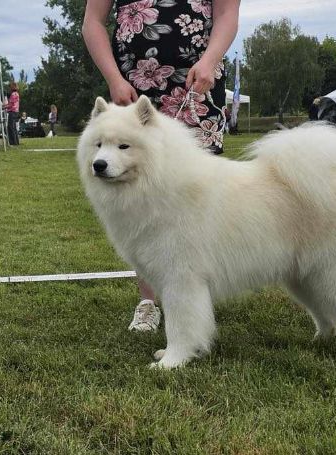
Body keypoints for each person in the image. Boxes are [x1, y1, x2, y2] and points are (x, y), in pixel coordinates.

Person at [83, 0, 240, 331]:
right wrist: (113, 78)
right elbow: (93, 22)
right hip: (133, 89)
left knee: (198, 198)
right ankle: (148, 301)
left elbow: (227, 13)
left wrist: (211, 60)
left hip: (198, 83)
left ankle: (193, 293)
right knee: (139, 207)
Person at [3, 81, 20, 145]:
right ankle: (16, 141)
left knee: (10, 127)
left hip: (12, 112)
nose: (9, 88)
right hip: (16, 111)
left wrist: (3, 107)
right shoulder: (16, 93)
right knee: (14, 127)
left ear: (12, 87)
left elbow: (10, 104)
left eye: (10, 87)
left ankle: (13, 142)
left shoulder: (13, 94)